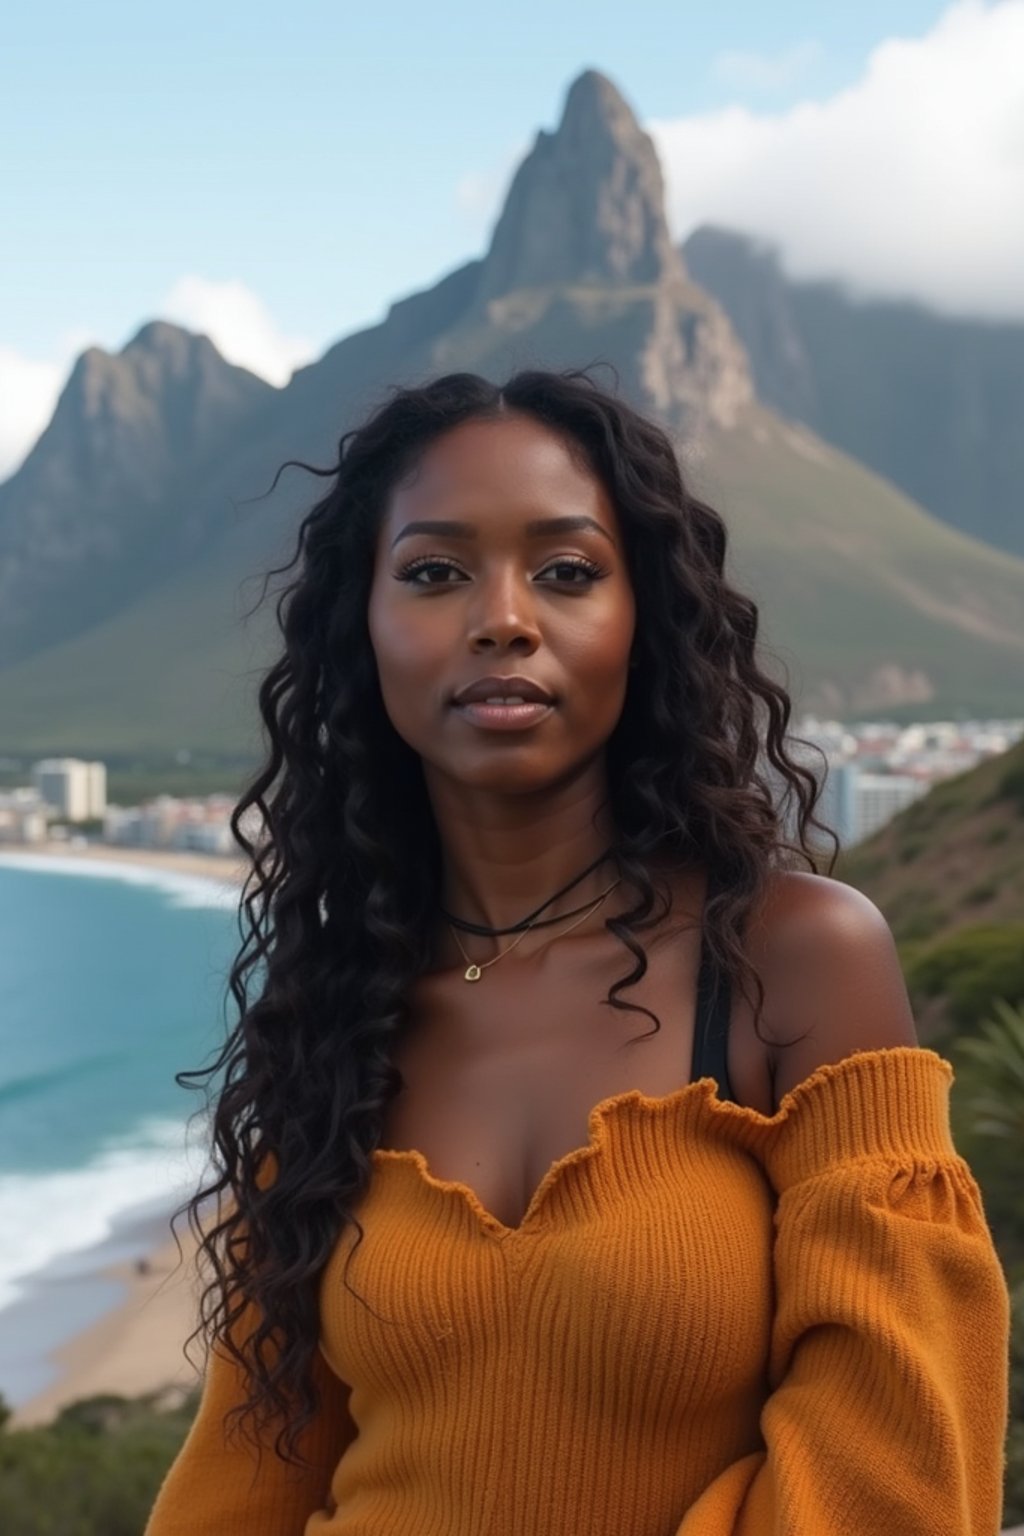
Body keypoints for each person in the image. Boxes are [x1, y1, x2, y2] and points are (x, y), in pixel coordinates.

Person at [144, 367, 1010, 1534]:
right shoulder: (337, 1019)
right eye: (435, 572)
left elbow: (893, 1466)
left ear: (640, 617)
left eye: (566, 571)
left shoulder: (788, 962)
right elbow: (247, 1478)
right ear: (364, 624)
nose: (503, 616)